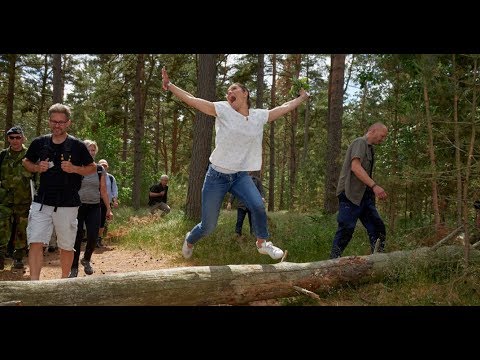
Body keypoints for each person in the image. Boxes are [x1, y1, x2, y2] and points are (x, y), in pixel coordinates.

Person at [161, 66, 309, 260]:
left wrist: (302, 98)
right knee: (209, 226)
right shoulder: (222, 109)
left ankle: (263, 243)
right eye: (228, 91)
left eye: (234, 89)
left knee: (257, 205)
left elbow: (283, 108)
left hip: (240, 176)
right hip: (216, 176)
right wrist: (170, 85)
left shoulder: (258, 116)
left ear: (245, 93)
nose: (229, 93)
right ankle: (190, 239)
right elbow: (194, 101)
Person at [22, 103, 96, 280]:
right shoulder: (39, 143)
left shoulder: (77, 146)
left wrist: (75, 169)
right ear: (49, 122)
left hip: (68, 203)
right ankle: (34, 285)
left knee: (66, 246)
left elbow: (92, 168)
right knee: (35, 242)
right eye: (54, 121)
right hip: (42, 201)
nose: (57, 125)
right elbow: (26, 162)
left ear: (68, 123)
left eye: (61, 122)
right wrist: (37, 167)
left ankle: (64, 282)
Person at [329, 122, 389, 259]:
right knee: (346, 229)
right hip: (350, 194)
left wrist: (371, 190)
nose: (383, 139)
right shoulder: (359, 142)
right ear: (373, 130)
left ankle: (378, 261)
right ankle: (332, 263)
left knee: (377, 228)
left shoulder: (370, 148)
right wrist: (375, 186)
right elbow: (355, 167)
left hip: (364, 196)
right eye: (382, 135)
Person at [69, 141, 113, 277]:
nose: (91, 152)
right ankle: (74, 267)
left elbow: (104, 190)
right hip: (78, 206)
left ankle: (86, 259)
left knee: (94, 235)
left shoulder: (100, 169)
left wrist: (108, 209)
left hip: (94, 206)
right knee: (77, 236)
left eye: (94, 150)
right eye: (89, 149)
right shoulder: (76, 167)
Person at [0, 126, 32, 270]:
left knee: (21, 229)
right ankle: (1, 257)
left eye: (18, 137)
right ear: (8, 139)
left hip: (24, 200)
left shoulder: (30, 155)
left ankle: (18, 258)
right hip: (4, 200)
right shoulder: (2, 156)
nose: (15, 140)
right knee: (2, 228)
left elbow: (37, 177)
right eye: (11, 137)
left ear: (23, 138)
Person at [97, 158, 118, 247]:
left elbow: (114, 189)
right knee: (94, 220)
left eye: (105, 165)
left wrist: (115, 200)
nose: (103, 166)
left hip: (106, 202)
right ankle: (91, 238)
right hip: (94, 201)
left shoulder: (110, 177)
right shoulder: (93, 175)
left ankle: (99, 239)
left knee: (102, 221)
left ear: (107, 167)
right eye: (101, 165)